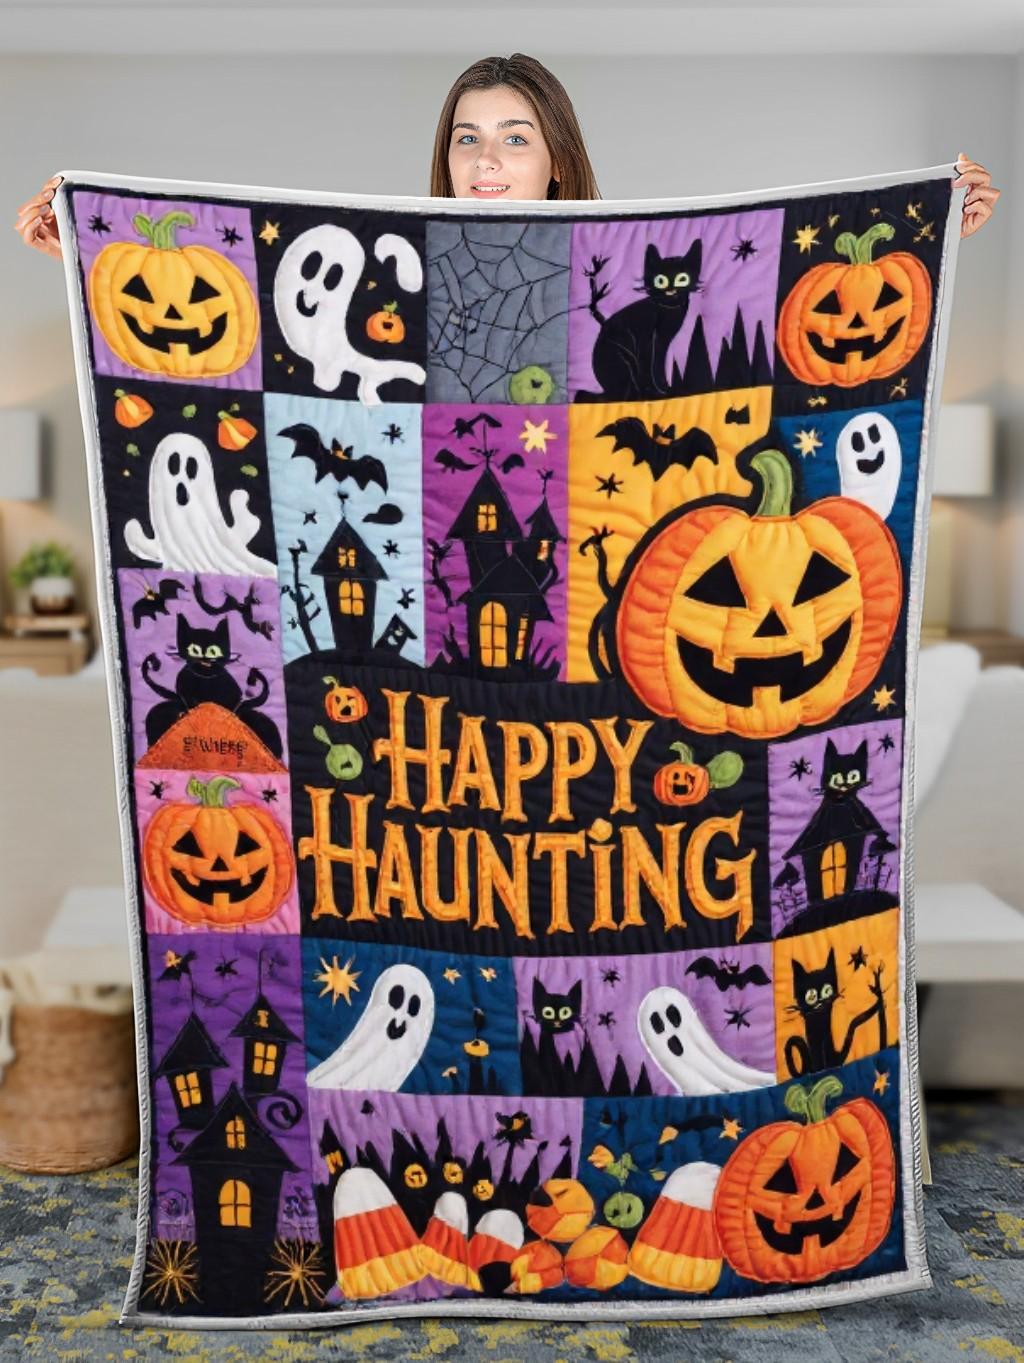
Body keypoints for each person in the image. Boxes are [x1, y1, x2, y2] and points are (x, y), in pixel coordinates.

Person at [13, 50, 999, 252]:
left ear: (554, 160)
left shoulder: (626, 255)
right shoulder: (390, 260)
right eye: (468, 140)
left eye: (514, 140)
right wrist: (90, 243)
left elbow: (769, 273)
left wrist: (927, 228)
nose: (487, 162)